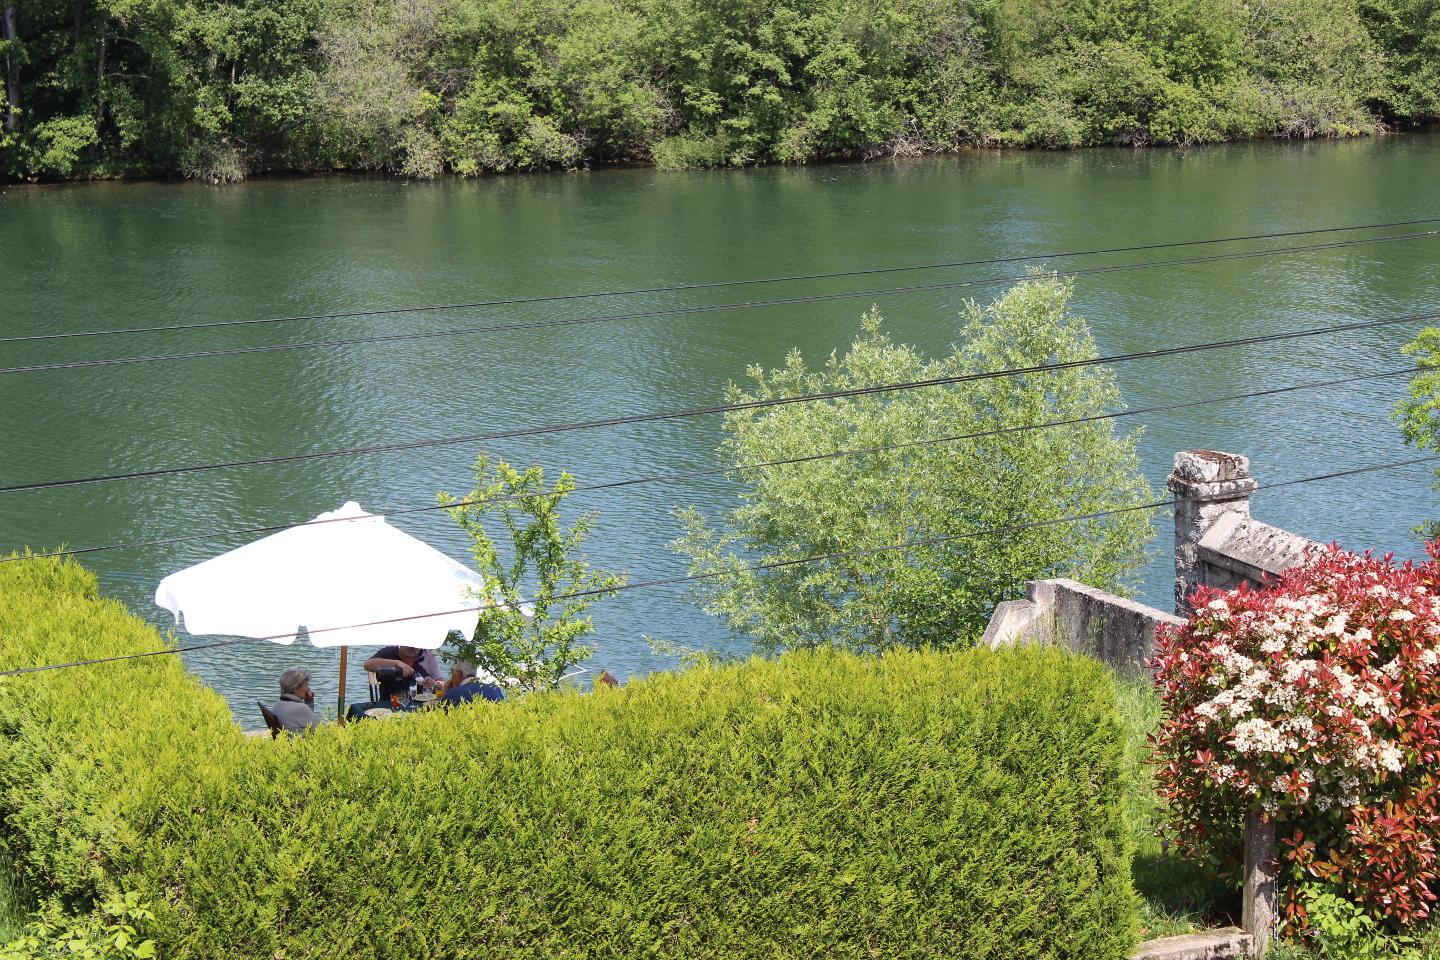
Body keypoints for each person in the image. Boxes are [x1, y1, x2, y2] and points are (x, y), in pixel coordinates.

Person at [363, 645, 442, 700]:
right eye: (409, 644)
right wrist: (397, 663)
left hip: (416, 706)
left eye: (416, 646)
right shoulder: (389, 652)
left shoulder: (420, 665)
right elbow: (368, 665)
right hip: (389, 705)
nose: (413, 647)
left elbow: (441, 685)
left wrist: (433, 685)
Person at [272, 668, 321, 735]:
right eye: (306, 685)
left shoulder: (279, 705)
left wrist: (309, 701)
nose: (309, 688)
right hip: (302, 744)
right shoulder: (300, 708)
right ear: (296, 688)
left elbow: (308, 720)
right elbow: (323, 729)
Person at [439, 659, 506, 708]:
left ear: (458, 673)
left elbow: (440, 712)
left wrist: (445, 694)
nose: (451, 678)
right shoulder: (496, 689)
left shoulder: (454, 694)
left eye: (452, 673)